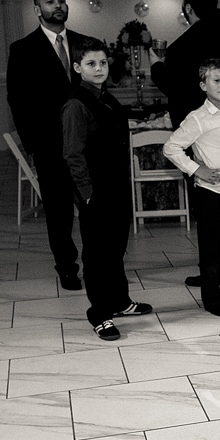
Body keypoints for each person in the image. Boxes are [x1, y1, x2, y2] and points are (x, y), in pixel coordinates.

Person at [61, 38, 152, 340]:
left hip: (116, 189)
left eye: (102, 62)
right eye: (91, 63)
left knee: (115, 249)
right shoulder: (76, 104)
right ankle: (99, 313)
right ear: (77, 67)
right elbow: (72, 154)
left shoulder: (108, 99)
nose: (98, 68)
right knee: (97, 255)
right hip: (96, 193)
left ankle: (120, 302)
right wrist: (87, 194)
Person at [6, 0, 90, 292]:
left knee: (93, 207)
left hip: (87, 145)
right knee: (59, 212)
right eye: (50, 1)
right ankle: (67, 268)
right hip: (50, 146)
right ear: (37, 9)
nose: (58, 5)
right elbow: (17, 100)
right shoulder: (23, 49)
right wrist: (34, 145)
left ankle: (96, 263)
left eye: (62, 0)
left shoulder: (85, 43)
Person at [163, 59, 220, 317]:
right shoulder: (198, 118)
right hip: (210, 193)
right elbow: (171, 147)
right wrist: (197, 169)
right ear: (204, 85)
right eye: (217, 81)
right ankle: (211, 298)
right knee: (211, 248)